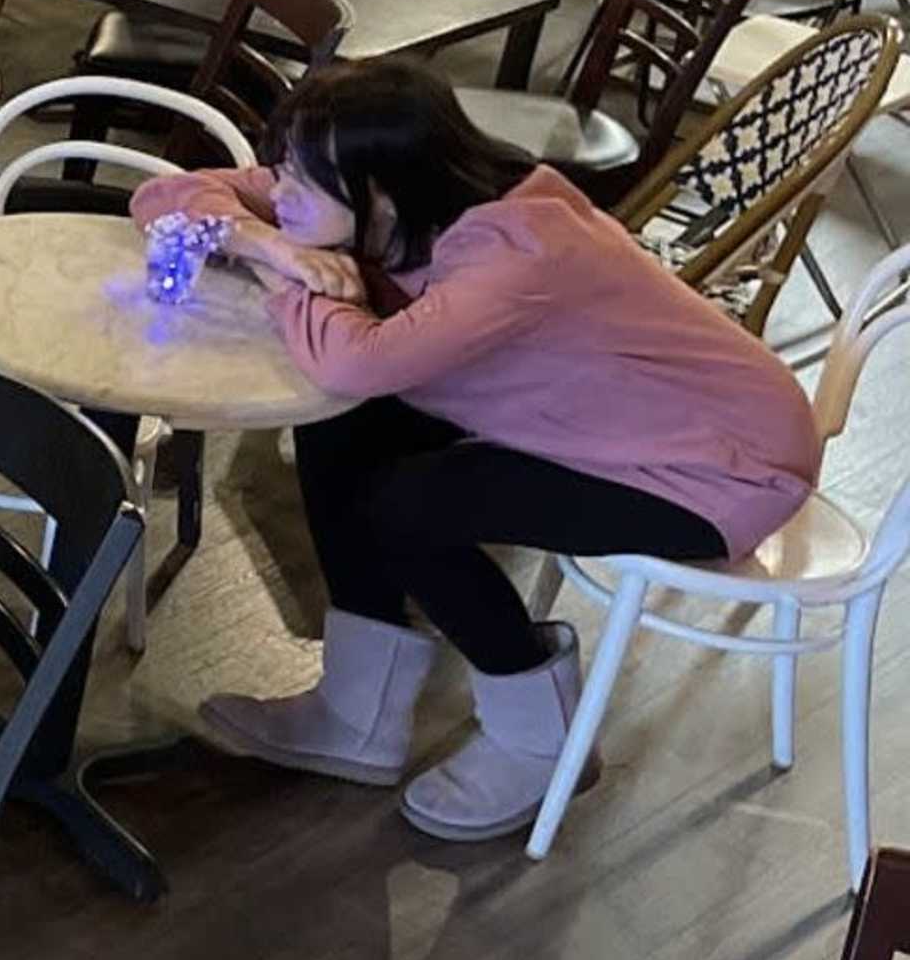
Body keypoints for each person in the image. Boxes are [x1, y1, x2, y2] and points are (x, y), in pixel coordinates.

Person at [132, 59, 822, 841]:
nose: (279, 190)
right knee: (341, 423)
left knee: (412, 505)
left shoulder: (514, 251)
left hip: (719, 464)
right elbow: (162, 198)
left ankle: (539, 736)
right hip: (592, 420)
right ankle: (359, 712)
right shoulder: (376, 192)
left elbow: (355, 359)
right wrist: (277, 247)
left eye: (299, 183)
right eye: (281, 170)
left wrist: (288, 278)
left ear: (381, 194)